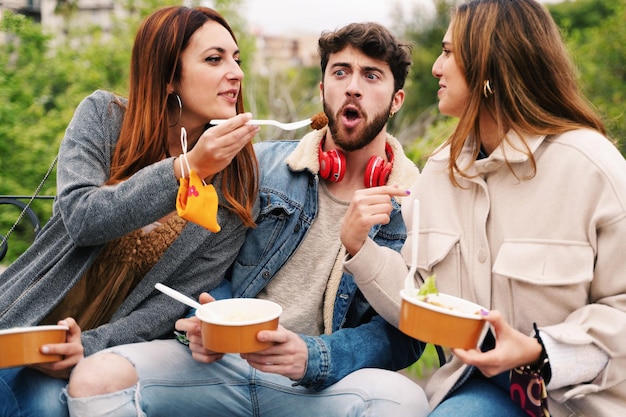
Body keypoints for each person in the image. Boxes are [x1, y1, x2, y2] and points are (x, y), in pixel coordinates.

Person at [64, 21, 430, 417]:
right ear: (323, 90)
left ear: (396, 100)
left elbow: (406, 336)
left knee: (403, 401)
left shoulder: (416, 202)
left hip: (325, 384)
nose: (353, 87)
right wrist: (206, 323)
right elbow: (209, 269)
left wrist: (315, 356)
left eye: (371, 76)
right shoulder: (259, 167)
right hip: (223, 366)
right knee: (94, 379)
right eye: (340, 72)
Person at [341, 0, 626, 416]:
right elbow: (420, 304)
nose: (436, 68)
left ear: (490, 63)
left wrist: (540, 351)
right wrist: (358, 248)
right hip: (478, 394)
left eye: (449, 52)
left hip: (576, 403)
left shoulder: (592, 168)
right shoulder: (438, 174)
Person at [0, 6, 259, 416]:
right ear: (169, 75)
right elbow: (82, 218)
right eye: (215, 59)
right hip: (17, 326)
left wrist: (87, 347)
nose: (236, 73)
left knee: (49, 407)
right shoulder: (103, 118)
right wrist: (183, 170)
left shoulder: (235, 184)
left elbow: (172, 304)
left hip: (99, 357)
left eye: (236, 59)